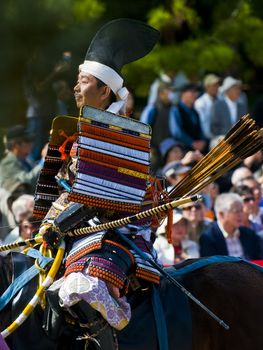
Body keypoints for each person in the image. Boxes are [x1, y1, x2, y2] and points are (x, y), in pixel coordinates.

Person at [38, 19, 161, 349]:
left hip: (119, 227)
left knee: (79, 288)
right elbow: (70, 191)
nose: (76, 89)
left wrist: (61, 224)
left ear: (105, 90)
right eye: (77, 82)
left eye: (84, 82)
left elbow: (102, 196)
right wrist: (48, 222)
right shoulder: (81, 131)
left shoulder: (120, 131)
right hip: (84, 225)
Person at [199, 193, 262, 259]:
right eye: (236, 211)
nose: (241, 214)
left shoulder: (249, 234)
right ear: (221, 214)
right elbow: (211, 266)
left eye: (241, 210)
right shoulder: (208, 238)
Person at [0, 125, 46, 194]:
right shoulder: (7, 163)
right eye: (27, 140)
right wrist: (44, 160)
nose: (31, 143)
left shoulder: (27, 159)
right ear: (15, 144)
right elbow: (27, 181)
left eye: (31, 140)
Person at [169, 83, 207, 153]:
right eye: (192, 92)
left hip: (196, 151)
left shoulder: (195, 112)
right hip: (181, 150)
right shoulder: (176, 109)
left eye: (196, 92)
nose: (195, 95)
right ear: (183, 94)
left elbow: (200, 130)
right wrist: (191, 143)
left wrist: (202, 141)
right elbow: (177, 132)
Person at [194, 73, 220, 140]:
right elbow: (202, 124)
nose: (217, 87)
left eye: (217, 85)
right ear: (206, 87)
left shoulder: (221, 100)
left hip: (220, 138)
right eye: (214, 85)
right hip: (207, 140)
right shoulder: (200, 103)